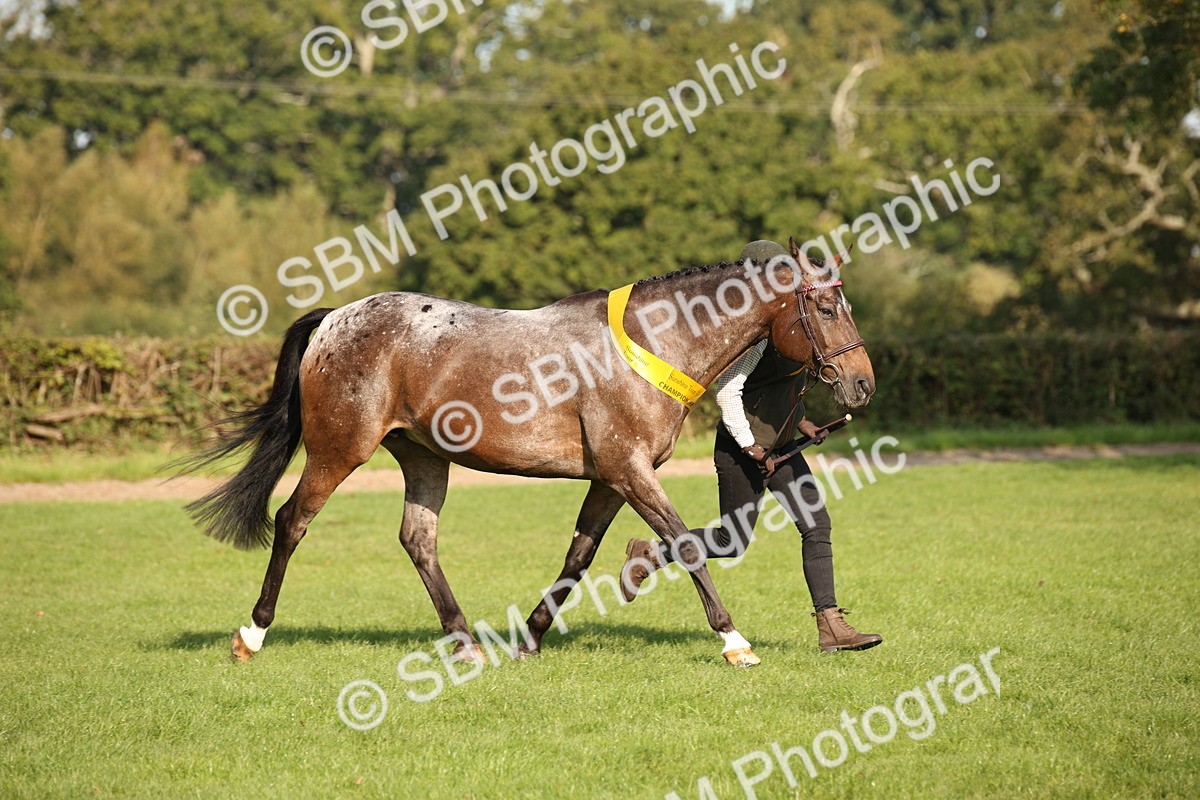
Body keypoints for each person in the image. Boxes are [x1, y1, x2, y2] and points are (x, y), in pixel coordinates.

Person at [620, 240, 882, 653]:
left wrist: (804, 422)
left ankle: (831, 627)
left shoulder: (794, 321)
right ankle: (651, 554)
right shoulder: (753, 339)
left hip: (781, 448)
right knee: (732, 542)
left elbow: (782, 391)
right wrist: (750, 447)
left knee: (817, 525)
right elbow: (728, 395)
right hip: (742, 453)